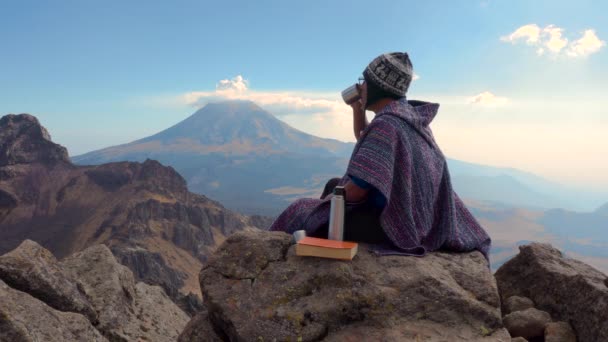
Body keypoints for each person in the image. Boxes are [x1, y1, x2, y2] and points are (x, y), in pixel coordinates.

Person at [269, 52, 491, 260]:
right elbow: (370, 146)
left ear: (378, 85)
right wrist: (358, 109)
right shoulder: (406, 117)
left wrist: (321, 207)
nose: (361, 87)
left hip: (392, 221)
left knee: (302, 208)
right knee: (333, 185)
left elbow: (355, 193)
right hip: (412, 212)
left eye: (364, 81)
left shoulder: (388, 124)